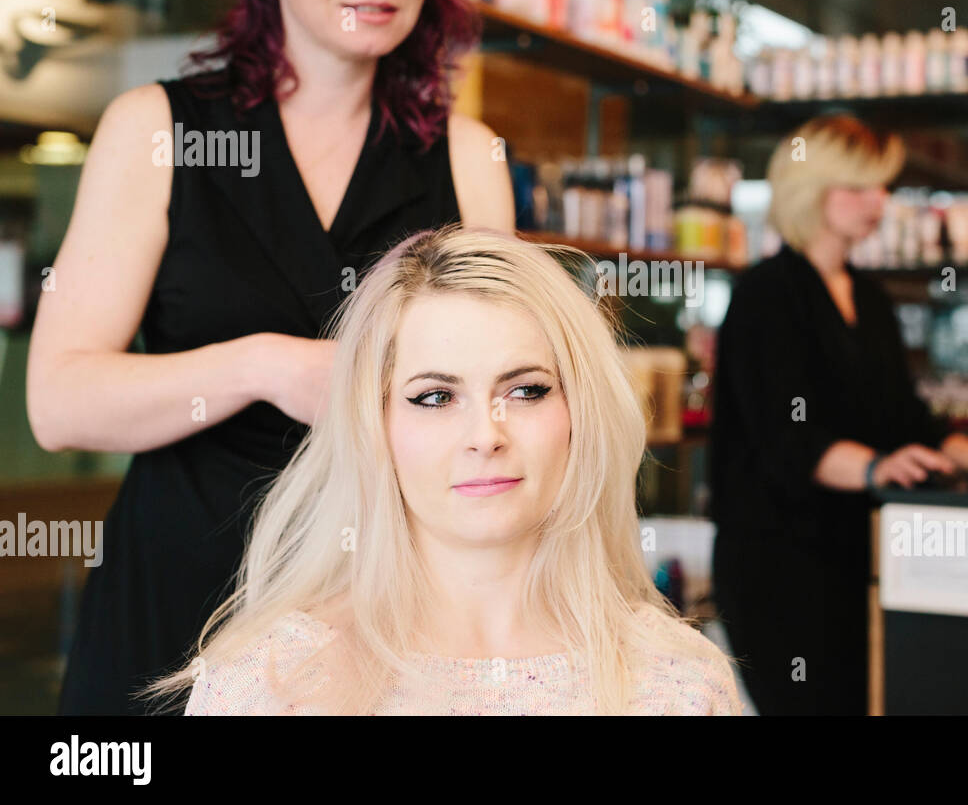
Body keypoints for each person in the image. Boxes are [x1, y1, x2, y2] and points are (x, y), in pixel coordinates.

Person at [26, 0, 514, 715]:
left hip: (382, 614)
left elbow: (491, 398)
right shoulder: (156, 130)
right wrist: (264, 367)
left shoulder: (469, 158)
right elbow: (60, 405)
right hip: (177, 596)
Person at [137, 227, 743, 715]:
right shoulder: (269, 685)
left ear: (578, 416)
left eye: (527, 391)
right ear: (376, 427)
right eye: (434, 397)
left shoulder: (679, 684)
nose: (486, 436)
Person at [709, 115, 968, 715]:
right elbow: (789, 441)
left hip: (853, 557)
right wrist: (876, 468)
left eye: (883, 186)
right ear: (811, 190)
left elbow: (909, 423)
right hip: (778, 566)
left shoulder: (869, 297)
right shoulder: (767, 295)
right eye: (861, 187)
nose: (880, 201)